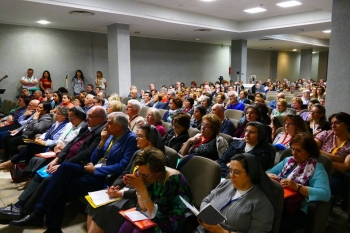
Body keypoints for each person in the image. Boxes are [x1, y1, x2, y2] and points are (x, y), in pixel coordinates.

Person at [9, 112, 138, 232]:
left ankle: (44, 220)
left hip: (103, 176)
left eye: (109, 122)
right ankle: (40, 216)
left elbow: (123, 166)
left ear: (119, 126)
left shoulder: (130, 139)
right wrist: (102, 142)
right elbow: (93, 158)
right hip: (90, 168)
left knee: (60, 187)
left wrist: (97, 169)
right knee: (64, 167)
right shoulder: (108, 136)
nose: (106, 125)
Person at [86, 124, 166, 232]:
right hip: (124, 190)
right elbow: (126, 172)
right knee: (93, 203)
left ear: (150, 140)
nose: (136, 138)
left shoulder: (160, 160)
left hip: (138, 198)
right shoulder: (138, 153)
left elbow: (151, 189)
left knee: (107, 211)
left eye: (140, 136)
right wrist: (115, 186)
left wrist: (122, 193)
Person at [195, 153, 276, 233]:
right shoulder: (225, 184)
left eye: (237, 172)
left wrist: (223, 232)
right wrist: (206, 216)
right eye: (230, 171)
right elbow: (206, 200)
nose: (231, 176)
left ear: (250, 174)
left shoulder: (261, 203)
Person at [267, 133, 331, 233]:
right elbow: (269, 172)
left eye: (299, 150)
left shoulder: (317, 168)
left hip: (297, 207)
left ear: (310, 151)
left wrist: (297, 187)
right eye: (293, 149)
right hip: (278, 201)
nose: (294, 153)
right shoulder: (288, 161)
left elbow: (325, 194)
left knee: (274, 224)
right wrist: (269, 175)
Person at [118, 147, 193, 233]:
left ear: (158, 171)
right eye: (139, 173)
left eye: (145, 175)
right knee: (126, 226)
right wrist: (138, 188)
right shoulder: (149, 177)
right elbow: (142, 208)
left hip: (171, 220)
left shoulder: (172, 180)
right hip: (154, 213)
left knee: (137, 231)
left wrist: (142, 188)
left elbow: (158, 216)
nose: (142, 178)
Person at [0, 106, 70, 171]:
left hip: (53, 146)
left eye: (58, 114)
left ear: (64, 116)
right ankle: (23, 169)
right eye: (56, 113)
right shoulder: (57, 122)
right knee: (31, 146)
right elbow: (48, 132)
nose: (55, 115)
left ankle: (13, 162)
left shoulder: (67, 125)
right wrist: (40, 138)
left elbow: (58, 140)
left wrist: (44, 142)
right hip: (45, 142)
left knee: (31, 147)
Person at [314, 112, 350, 196]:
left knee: (327, 187)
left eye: (337, 123)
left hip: (333, 174)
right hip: (314, 168)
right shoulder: (325, 134)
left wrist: (321, 158)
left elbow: (344, 167)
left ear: (347, 125)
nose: (333, 126)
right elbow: (311, 148)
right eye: (332, 123)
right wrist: (337, 158)